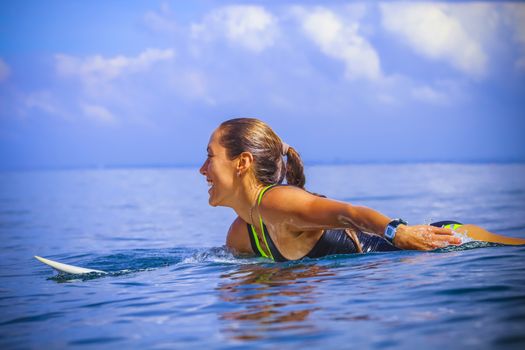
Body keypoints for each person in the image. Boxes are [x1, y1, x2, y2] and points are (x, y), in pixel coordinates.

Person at [199, 118, 525, 261]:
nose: (202, 169)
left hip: (442, 247)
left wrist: (397, 233)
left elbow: (349, 213)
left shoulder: (279, 201)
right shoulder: (240, 235)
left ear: (241, 163)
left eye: (210, 157)